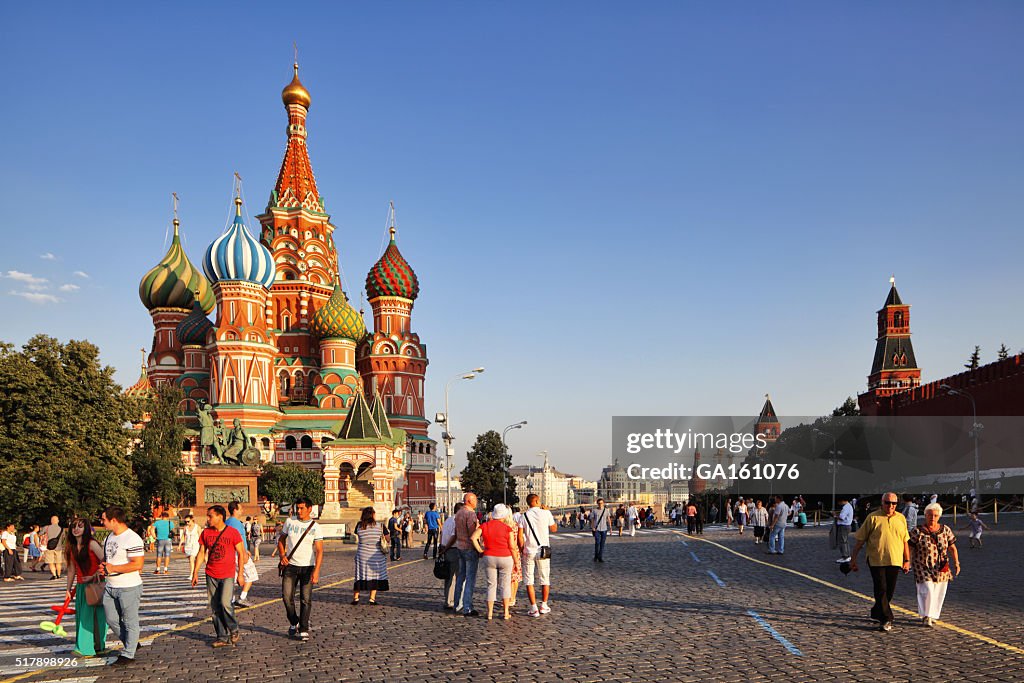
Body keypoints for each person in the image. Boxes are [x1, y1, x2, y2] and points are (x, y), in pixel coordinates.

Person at [850, 492, 911, 632]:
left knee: (889, 590)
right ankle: (887, 618)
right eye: (887, 503)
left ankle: (877, 611)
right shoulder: (872, 518)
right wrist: (853, 559)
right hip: (876, 559)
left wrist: (907, 560)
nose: (890, 506)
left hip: (895, 560)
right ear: (882, 503)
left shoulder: (901, 518)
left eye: (894, 503)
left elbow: (905, 541)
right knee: (881, 588)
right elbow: (860, 541)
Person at [191, 505, 246, 647]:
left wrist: (240, 574)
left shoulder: (232, 532)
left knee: (225, 603)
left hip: (227, 574)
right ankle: (222, 637)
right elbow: (202, 553)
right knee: (215, 607)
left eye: (210, 516)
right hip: (211, 573)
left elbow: (241, 553)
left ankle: (233, 629)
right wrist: (195, 572)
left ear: (220, 516)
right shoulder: (206, 533)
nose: (207, 519)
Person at [100, 505, 145, 665]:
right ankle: (132, 642)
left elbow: (137, 564)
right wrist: (104, 567)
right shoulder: (108, 538)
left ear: (114, 520)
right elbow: (109, 560)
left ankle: (128, 654)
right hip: (110, 585)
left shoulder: (132, 538)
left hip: (129, 586)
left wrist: (113, 568)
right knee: (111, 619)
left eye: (104, 519)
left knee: (129, 620)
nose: (102, 522)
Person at [277, 497, 324, 642]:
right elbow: (281, 539)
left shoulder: (315, 526)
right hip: (290, 566)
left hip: (307, 567)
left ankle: (303, 628)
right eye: (298, 508)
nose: (299, 511)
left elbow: (320, 550)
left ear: (310, 509)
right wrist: (282, 555)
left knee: (306, 599)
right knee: (286, 597)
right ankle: (294, 621)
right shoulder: (290, 522)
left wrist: (316, 571)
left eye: (302, 508)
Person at [909, 502, 960, 626]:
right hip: (922, 565)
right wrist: (907, 561)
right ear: (925, 515)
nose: (933, 518)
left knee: (938, 591)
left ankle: (933, 615)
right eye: (930, 515)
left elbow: (952, 547)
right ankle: (926, 615)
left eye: (936, 515)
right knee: (927, 590)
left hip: (941, 566)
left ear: (939, 516)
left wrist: (956, 563)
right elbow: (910, 547)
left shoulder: (945, 530)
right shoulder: (917, 531)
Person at [64, 518, 106, 656]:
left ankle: (89, 647)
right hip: (82, 586)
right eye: (74, 526)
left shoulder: (92, 544)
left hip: (96, 584)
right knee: (84, 616)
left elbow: (105, 561)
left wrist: (94, 575)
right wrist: (68, 590)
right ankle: (89, 646)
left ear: (86, 528)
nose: (76, 529)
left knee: (96, 617)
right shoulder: (71, 547)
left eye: (80, 527)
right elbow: (71, 570)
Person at [471, 504, 520, 620]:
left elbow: (473, 537)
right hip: (505, 557)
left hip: (489, 556)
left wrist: (480, 550)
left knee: (491, 585)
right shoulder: (507, 528)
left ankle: (490, 613)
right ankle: (506, 612)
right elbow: (512, 547)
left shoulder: (485, 525)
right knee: (505, 585)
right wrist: (516, 562)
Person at [519, 494, 557, 617]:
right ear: (536, 501)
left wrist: (521, 549)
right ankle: (544, 605)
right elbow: (554, 528)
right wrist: (548, 511)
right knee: (544, 578)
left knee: (529, 580)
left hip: (529, 550)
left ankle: (533, 608)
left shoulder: (523, 516)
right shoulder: (545, 513)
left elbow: (520, 536)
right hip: (543, 550)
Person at [352, 506, 389, 605]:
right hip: (376, 555)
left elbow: (357, 534)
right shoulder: (380, 526)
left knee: (360, 575)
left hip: (362, 554)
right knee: (375, 576)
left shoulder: (359, 526)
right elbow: (388, 538)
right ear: (373, 515)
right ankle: (372, 599)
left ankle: (356, 598)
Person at [453, 492, 481, 617]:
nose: (477, 502)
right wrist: (479, 549)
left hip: (460, 547)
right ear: (470, 501)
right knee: (470, 578)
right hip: (469, 548)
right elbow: (472, 534)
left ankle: (457, 604)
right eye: (475, 500)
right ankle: (467, 607)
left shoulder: (459, 513)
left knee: (461, 576)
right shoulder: (470, 514)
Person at [226, 501, 256, 608]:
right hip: (239, 553)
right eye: (240, 508)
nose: (242, 510)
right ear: (235, 510)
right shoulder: (237, 523)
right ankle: (242, 597)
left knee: (232, 578)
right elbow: (239, 539)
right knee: (251, 575)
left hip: (229, 553)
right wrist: (244, 552)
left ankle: (231, 599)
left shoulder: (227, 522)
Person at [438, 502, 464, 610]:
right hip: (453, 549)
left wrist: (442, 547)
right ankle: (456, 601)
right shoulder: (456, 521)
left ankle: (447, 600)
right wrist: (447, 547)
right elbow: (454, 536)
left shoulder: (448, 520)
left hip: (446, 549)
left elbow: (442, 534)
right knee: (458, 577)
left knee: (449, 577)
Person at [43, 515, 65, 580]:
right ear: (58, 521)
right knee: (58, 562)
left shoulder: (46, 528)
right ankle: (58, 574)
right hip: (58, 547)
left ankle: (54, 575)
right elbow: (63, 537)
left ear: (51, 521)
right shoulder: (61, 529)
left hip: (49, 547)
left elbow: (40, 534)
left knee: (51, 562)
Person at [835, 497, 854, 562]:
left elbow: (841, 517)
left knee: (842, 541)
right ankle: (847, 556)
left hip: (844, 526)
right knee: (845, 541)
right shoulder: (849, 506)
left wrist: (834, 515)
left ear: (842, 501)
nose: (839, 504)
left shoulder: (845, 507)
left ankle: (845, 556)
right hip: (847, 525)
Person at [591, 498, 610, 562]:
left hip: (604, 529)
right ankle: (596, 555)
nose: (600, 504)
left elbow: (608, 519)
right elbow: (592, 519)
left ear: (603, 503)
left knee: (602, 544)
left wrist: (610, 528)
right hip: (597, 529)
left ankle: (600, 557)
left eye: (601, 503)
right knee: (597, 543)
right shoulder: (594, 510)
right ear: (597, 504)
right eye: (599, 503)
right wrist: (593, 527)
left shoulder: (606, 510)